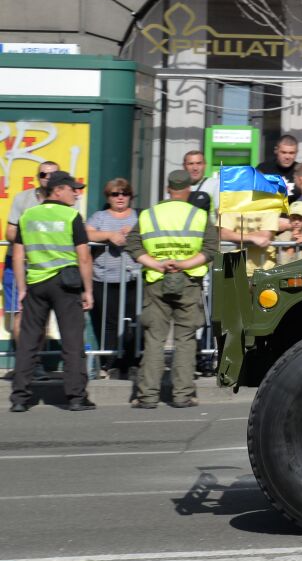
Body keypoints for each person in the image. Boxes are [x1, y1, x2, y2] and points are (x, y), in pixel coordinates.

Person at [127, 170, 223, 410]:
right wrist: (184, 264)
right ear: (188, 190)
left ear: (168, 189)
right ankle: (183, 395)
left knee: (154, 339)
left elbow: (133, 244)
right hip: (188, 282)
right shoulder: (199, 216)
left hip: (157, 281)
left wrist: (157, 264)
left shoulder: (149, 215)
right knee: (185, 340)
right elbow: (211, 248)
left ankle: (148, 396)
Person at [10, 171, 95, 412]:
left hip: (36, 283)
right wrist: (88, 290)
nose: (76, 194)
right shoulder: (71, 216)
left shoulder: (28, 216)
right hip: (66, 285)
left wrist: (22, 288)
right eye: (72, 189)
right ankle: (76, 397)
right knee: (72, 340)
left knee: (28, 342)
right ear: (58, 190)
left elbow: (18, 254)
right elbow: (84, 257)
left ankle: (19, 398)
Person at [86, 178, 141, 378]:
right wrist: (109, 234)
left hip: (133, 279)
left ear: (130, 196)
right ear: (107, 197)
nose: (119, 198)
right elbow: (86, 233)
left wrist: (134, 232)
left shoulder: (138, 217)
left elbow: (152, 234)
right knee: (108, 322)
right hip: (104, 279)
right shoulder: (99, 217)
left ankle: (132, 363)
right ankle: (108, 364)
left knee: (133, 322)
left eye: (124, 193)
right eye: (114, 194)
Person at [5, 159, 59, 345]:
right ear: (38, 178)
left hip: (47, 266)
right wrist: (33, 242)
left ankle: (35, 364)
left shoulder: (66, 201)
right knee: (20, 313)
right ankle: (26, 362)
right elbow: (10, 231)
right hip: (20, 263)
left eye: (53, 174)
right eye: (43, 174)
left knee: (40, 315)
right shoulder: (23, 198)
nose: (48, 178)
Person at [257, 134, 302, 202]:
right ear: (276, 150)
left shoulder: (301, 171)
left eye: (291, 153)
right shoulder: (264, 170)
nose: (287, 157)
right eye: (283, 152)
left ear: (296, 152)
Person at [182, 150, 213, 214]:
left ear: (205, 165)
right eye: (191, 164)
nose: (195, 168)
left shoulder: (216, 185)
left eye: (199, 163)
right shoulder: (177, 187)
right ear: (184, 166)